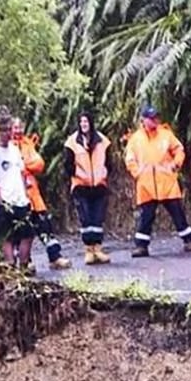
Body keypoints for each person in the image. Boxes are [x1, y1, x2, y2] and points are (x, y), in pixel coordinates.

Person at [124, 105, 191, 257]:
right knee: (146, 217)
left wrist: (176, 164)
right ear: (143, 120)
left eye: (156, 117)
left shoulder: (166, 134)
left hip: (166, 182)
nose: (155, 120)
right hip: (146, 184)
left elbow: (179, 150)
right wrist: (137, 173)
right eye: (151, 118)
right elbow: (130, 159)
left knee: (177, 213)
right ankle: (141, 246)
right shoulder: (136, 139)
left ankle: (188, 241)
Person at [8, 116, 72, 271]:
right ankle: (26, 262)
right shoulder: (6, 147)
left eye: (20, 127)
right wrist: (22, 167)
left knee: (45, 226)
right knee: (21, 231)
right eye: (15, 127)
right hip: (16, 195)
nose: (18, 130)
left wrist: (23, 166)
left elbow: (39, 164)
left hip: (33, 195)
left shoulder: (27, 143)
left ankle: (55, 257)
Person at [0, 111, 36, 271]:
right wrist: (0, 201)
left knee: (27, 234)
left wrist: (26, 195)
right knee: (7, 236)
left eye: (10, 130)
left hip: (20, 198)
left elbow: (21, 172)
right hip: (5, 199)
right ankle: (10, 263)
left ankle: (24, 264)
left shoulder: (14, 149)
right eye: (5, 130)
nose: (9, 133)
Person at [64, 111, 113, 265]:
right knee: (86, 219)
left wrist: (104, 173)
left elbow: (110, 163)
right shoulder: (72, 142)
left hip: (99, 185)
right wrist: (78, 174)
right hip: (81, 186)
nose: (84, 124)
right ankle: (88, 250)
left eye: (86, 121)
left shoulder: (103, 141)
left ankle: (98, 249)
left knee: (98, 218)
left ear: (91, 123)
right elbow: (67, 165)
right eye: (81, 122)